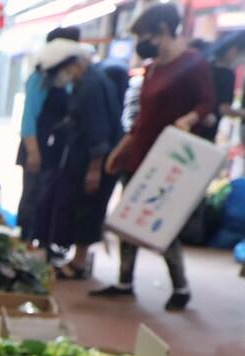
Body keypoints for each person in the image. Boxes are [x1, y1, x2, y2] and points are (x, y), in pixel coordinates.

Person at [95, 4, 215, 309]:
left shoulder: (192, 63)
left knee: (161, 220)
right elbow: (143, 117)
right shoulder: (152, 68)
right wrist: (123, 147)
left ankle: (180, 286)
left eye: (146, 35)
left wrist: (189, 119)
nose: (143, 43)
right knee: (129, 215)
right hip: (140, 152)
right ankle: (124, 280)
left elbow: (207, 103)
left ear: (163, 29)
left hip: (170, 157)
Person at [34, 40, 125, 279]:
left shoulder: (91, 86)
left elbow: (99, 132)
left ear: (72, 64)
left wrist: (94, 170)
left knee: (87, 210)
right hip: (82, 159)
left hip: (95, 162)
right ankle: (76, 259)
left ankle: (79, 264)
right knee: (78, 207)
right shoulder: (86, 81)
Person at [18, 27, 83, 244]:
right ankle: (25, 241)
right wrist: (33, 152)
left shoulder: (65, 80)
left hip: (56, 148)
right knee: (32, 195)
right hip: (36, 146)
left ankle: (43, 242)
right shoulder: (40, 78)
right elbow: (29, 118)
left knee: (49, 197)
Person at [188, 37, 235, 141]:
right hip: (204, 129)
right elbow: (224, 108)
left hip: (192, 125)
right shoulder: (227, 74)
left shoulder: (207, 68)